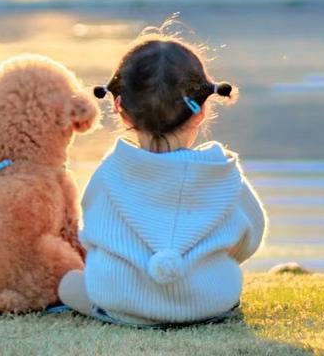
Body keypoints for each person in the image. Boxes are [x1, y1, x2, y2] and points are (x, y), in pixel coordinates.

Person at [58, 34, 266, 327]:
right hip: (210, 304)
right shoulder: (224, 174)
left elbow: (91, 238)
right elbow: (248, 241)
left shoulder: (109, 173)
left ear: (120, 108)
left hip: (121, 305)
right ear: (202, 109)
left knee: (68, 284)